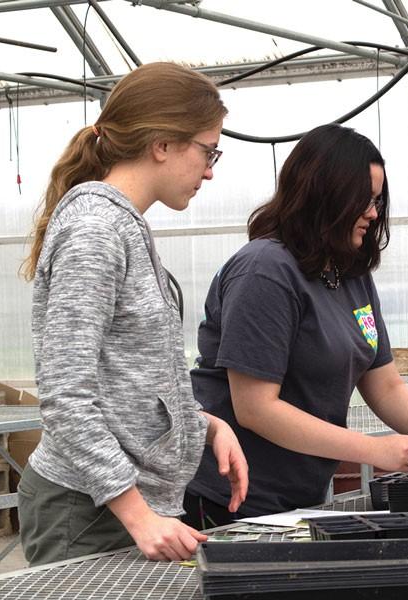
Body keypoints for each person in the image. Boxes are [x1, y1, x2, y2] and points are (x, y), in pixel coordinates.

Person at [183, 123, 408, 525]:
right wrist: (374, 450)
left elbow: (385, 384)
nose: (374, 214)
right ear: (324, 195)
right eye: (363, 200)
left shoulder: (350, 272)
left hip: (294, 498)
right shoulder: (265, 271)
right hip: (231, 498)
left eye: (377, 201)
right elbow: (256, 408)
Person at [18, 62, 248, 566]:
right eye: (207, 150)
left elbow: (131, 376)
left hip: (125, 504)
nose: (210, 170)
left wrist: (205, 426)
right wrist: (136, 513)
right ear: (161, 144)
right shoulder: (96, 231)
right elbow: (66, 395)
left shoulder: (123, 226)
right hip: (89, 510)